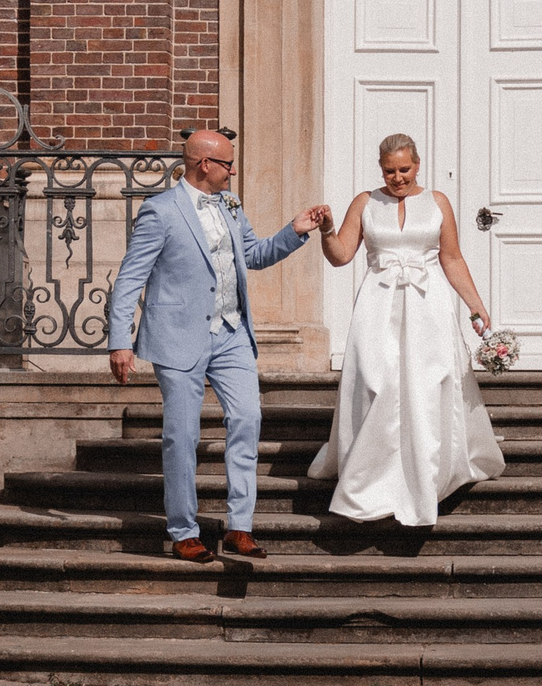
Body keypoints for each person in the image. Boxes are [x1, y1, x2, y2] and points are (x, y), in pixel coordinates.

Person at [107, 130, 332, 562]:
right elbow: (130, 278)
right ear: (204, 164)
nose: (233, 170)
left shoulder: (231, 205)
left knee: (247, 419)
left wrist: (295, 230)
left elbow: (255, 254)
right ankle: (184, 530)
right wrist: (121, 341)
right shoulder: (160, 212)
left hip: (231, 334)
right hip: (177, 336)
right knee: (181, 435)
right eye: (228, 163)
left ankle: (239, 527)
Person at [308, 133, 504, 526]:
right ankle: (370, 480)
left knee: (429, 383)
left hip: (427, 304)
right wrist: (327, 230)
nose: (397, 177)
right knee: (377, 382)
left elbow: (451, 258)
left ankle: (428, 474)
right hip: (377, 305)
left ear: (417, 164)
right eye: (389, 170)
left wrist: (475, 304)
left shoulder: (437, 202)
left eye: (404, 169)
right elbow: (341, 255)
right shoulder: (365, 202)